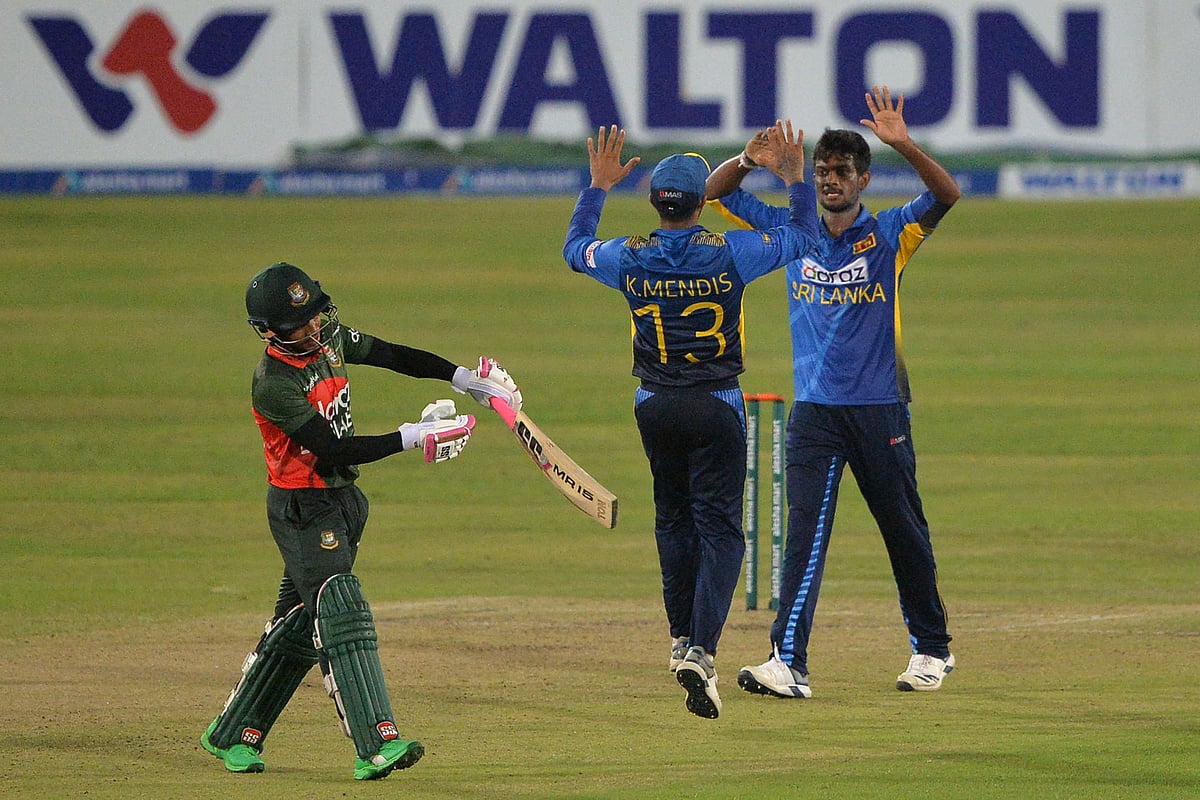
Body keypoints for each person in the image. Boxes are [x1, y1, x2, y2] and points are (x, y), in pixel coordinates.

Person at [200, 262, 522, 779]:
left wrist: (465, 379)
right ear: (267, 331)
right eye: (296, 325)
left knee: (301, 622)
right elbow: (330, 451)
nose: (311, 328)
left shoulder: (327, 338)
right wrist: (411, 437)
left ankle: (232, 732)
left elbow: (393, 355)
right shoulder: (274, 384)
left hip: (343, 501)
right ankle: (376, 744)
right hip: (303, 508)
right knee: (341, 611)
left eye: (312, 316)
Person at [705, 86, 961, 698]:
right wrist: (746, 159)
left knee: (902, 529)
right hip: (815, 411)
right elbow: (714, 195)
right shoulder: (793, 231)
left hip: (879, 409)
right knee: (803, 536)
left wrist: (905, 144)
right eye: (821, 171)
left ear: (864, 178)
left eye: (841, 171)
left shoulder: (893, 232)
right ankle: (787, 661)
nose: (828, 180)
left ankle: (932, 648)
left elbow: (948, 195)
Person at [561, 123, 818, 718]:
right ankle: (701, 649)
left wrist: (596, 187)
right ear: (703, 202)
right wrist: (791, 178)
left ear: (654, 200)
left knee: (672, 519)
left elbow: (575, 249)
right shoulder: (731, 252)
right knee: (722, 530)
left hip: (654, 405)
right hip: (717, 405)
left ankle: (682, 637)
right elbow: (802, 236)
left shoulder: (629, 256)